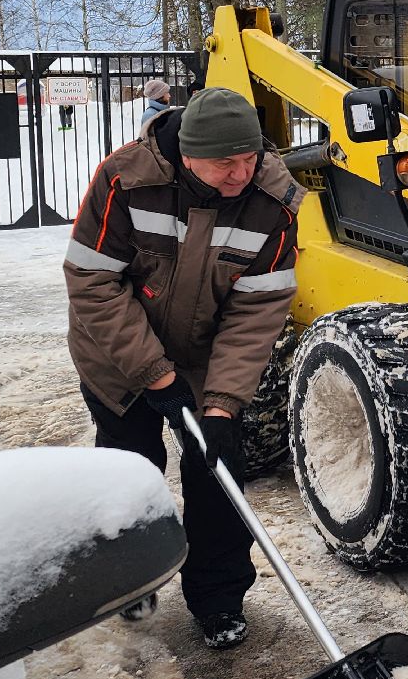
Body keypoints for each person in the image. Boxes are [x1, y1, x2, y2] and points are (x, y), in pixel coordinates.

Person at [63, 87, 304, 649]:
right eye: (226, 163)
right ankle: (132, 580)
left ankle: (218, 598)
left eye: (250, 159)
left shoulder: (272, 200)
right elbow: (93, 282)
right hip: (115, 354)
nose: (241, 174)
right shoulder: (126, 181)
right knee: (132, 470)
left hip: (203, 356)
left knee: (219, 473)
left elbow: (256, 310)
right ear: (189, 154)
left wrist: (220, 402)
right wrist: (154, 374)